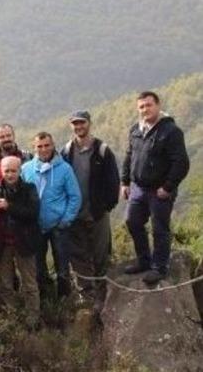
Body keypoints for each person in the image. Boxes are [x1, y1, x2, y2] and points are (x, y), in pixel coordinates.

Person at [121, 91, 190, 285]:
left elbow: (181, 163)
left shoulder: (171, 131)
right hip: (138, 188)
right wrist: (125, 182)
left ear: (158, 105)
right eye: (141, 107)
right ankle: (144, 261)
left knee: (159, 228)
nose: (145, 110)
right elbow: (129, 156)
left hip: (159, 190)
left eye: (149, 105)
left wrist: (168, 187)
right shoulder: (135, 129)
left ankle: (159, 267)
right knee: (132, 222)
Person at [60, 110, 120, 314]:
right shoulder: (66, 151)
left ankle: (103, 297)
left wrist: (106, 206)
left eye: (82, 123)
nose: (79, 127)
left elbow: (113, 181)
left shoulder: (102, 150)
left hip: (97, 214)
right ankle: (86, 296)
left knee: (101, 255)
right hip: (74, 214)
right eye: (75, 124)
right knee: (78, 257)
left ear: (89, 124)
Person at [21, 132, 81, 299]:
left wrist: (66, 219)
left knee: (62, 267)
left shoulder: (65, 169)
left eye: (47, 145)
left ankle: (64, 300)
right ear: (34, 148)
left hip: (58, 226)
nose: (44, 149)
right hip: (36, 227)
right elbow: (20, 195)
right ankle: (47, 301)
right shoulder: (26, 169)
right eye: (39, 146)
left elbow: (75, 196)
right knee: (39, 267)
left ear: (53, 145)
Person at [0, 156, 41, 329]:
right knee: (5, 284)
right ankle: (12, 317)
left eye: (13, 171)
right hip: (3, 244)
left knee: (29, 284)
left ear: (20, 171)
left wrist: (9, 206)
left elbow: (33, 213)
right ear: (0, 171)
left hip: (25, 243)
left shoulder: (29, 189)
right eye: (6, 171)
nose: (10, 174)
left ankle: (32, 320)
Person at [0, 124, 32, 192]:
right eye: (2, 137)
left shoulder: (27, 157)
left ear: (14, 136)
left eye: (8, 135)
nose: (6, 139)